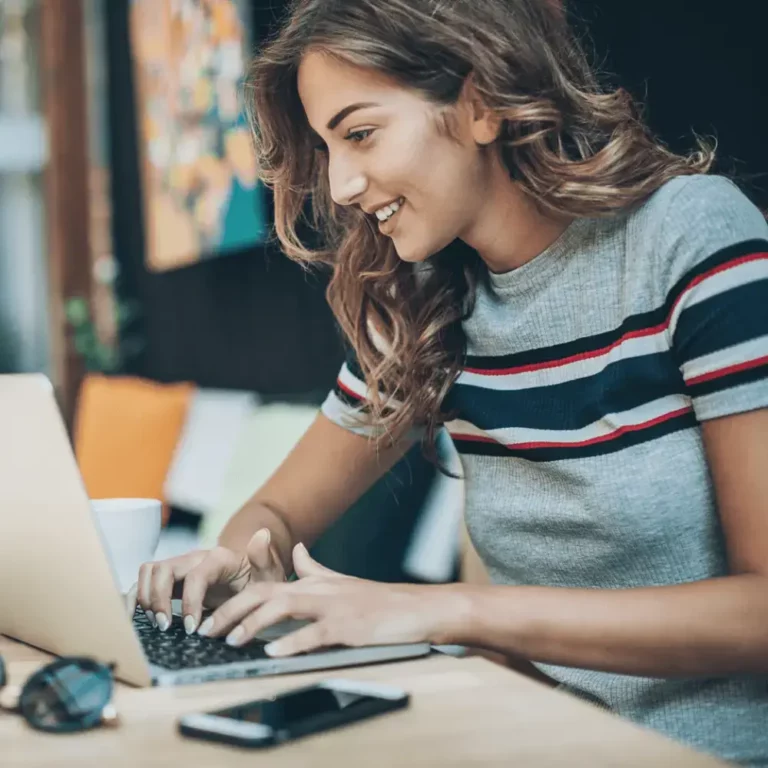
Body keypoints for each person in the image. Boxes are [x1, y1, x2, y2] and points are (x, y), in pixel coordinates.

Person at [131, 1, 768, 763]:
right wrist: (232, 562)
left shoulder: (691, 240)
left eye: (360, 133)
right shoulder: (427, 301)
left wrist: (445, 611)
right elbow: (274, 508)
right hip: (524, 740)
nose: (339, 184)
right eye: (327, 146)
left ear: (481, 103)